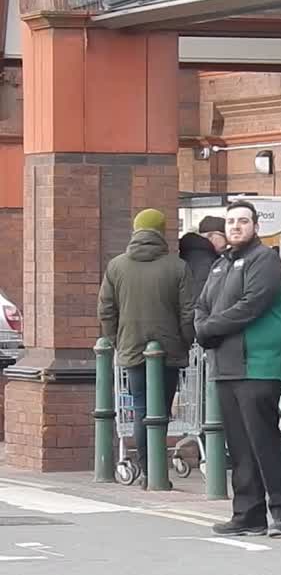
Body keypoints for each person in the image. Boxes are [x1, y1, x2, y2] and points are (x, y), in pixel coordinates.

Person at [194, 201, 281, 537]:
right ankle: (248, 513)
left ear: (255, 226)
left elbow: (250, 305)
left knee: (262, 439)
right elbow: (202, 305)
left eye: (243, 221)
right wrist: (202, 325)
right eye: (231, 222)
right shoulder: (220, 265)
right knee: (239, 445)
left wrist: (209, 329)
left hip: (259, 364)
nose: (236, 227)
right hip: (226, 364)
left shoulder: (264, 260)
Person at [97, 208, 195, 485]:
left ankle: (148, 469)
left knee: (140, 408)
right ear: (162, 232)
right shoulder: (178, 266)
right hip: (170, 350)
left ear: (135, 230)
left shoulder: (116, 266)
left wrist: (118, 339)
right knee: (161, 410)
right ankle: (156, 470)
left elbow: (105, 309)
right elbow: (189, 312)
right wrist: (185, 341)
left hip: (131, 348)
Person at [178, 215, 225, 298]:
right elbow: (199, 296)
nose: (227, 242)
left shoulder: (190, 252)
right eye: (224, 236)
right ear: (211, 235)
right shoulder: (206, 260)